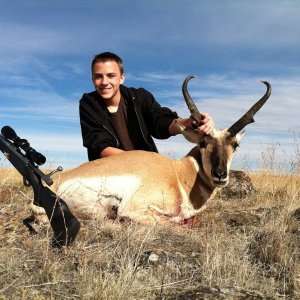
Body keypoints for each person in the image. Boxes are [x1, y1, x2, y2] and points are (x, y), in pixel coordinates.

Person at [79, 52, 214, 161]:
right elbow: (100, 147)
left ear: (121, 78)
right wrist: (144, 161)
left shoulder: (139, 97)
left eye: (111, 76)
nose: (104, 82)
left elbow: (161, 122)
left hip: (147, 172)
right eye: (98, 77)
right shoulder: (88, 104)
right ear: (92, 79)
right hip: (113, 172)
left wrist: (189, 122)